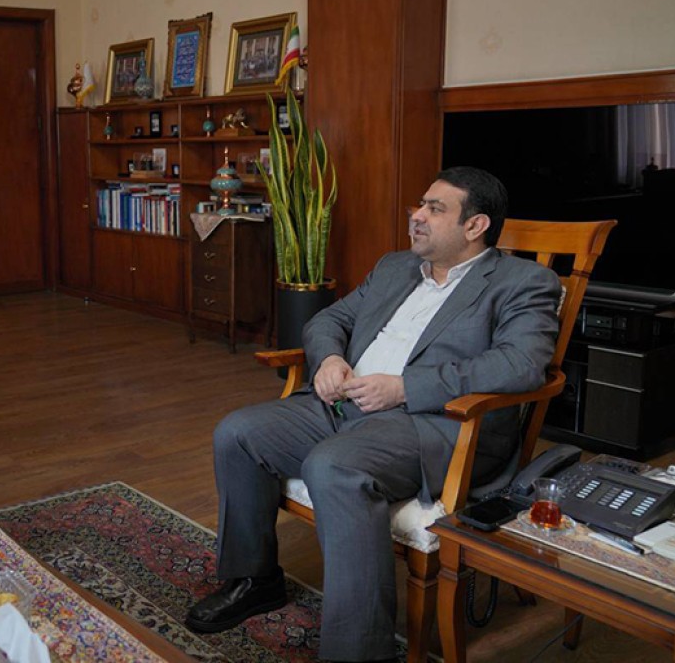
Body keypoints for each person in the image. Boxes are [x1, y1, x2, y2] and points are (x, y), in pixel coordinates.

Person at [185, 167, 561, 662]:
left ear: (475, 226)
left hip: (432, 423)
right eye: (419, 204)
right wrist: (330, 359)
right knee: (239, 432)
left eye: (435, 209)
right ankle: (255, 580)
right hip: (345, 404)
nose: (417, 216)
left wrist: (406, 388)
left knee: (333, 466)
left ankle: (361, 652)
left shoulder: (524, 282)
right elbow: (329, 319)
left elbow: (521, 364)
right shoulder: (396, 267)